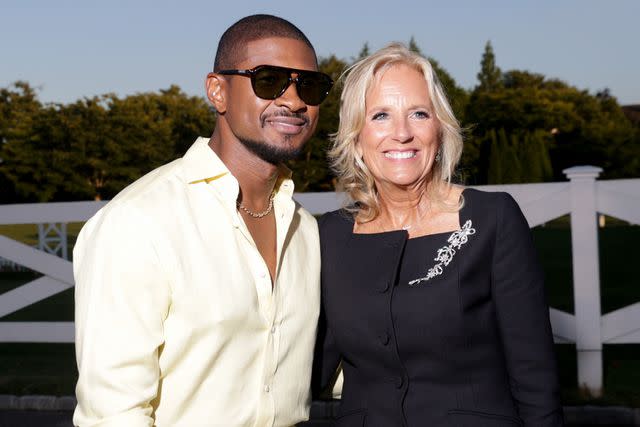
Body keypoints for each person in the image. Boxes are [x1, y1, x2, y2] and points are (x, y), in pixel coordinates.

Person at [73, 14, 333, 427]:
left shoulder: (306, 230)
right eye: (269, 80)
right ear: (218, 91)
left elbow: (343, 362)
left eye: (310, 85)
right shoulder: (139, 221)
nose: (294, 100)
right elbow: (113, 414)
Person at [312, 43, 563, 426]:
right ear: (356, 137)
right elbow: (304, 369)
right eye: (380, 115)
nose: (401, 133)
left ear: (439, 129)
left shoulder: (491, 220)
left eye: (418, 113)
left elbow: (535, 379)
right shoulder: (329, 236)